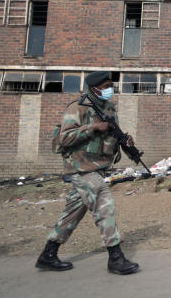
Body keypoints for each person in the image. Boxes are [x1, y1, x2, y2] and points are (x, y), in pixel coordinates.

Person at [36, 71, 140, 274]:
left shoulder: (109, 108)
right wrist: (93, 127)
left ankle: (48, 254)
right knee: (103, 201)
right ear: (94, 88)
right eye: (106, 86)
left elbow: (111, 134)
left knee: (74, 210)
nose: (110, 89)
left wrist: (125, 141)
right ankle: (115, 258)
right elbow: (64, 138)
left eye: (111, 85)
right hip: (80, 167)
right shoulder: (78, 108)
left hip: (97, 167)